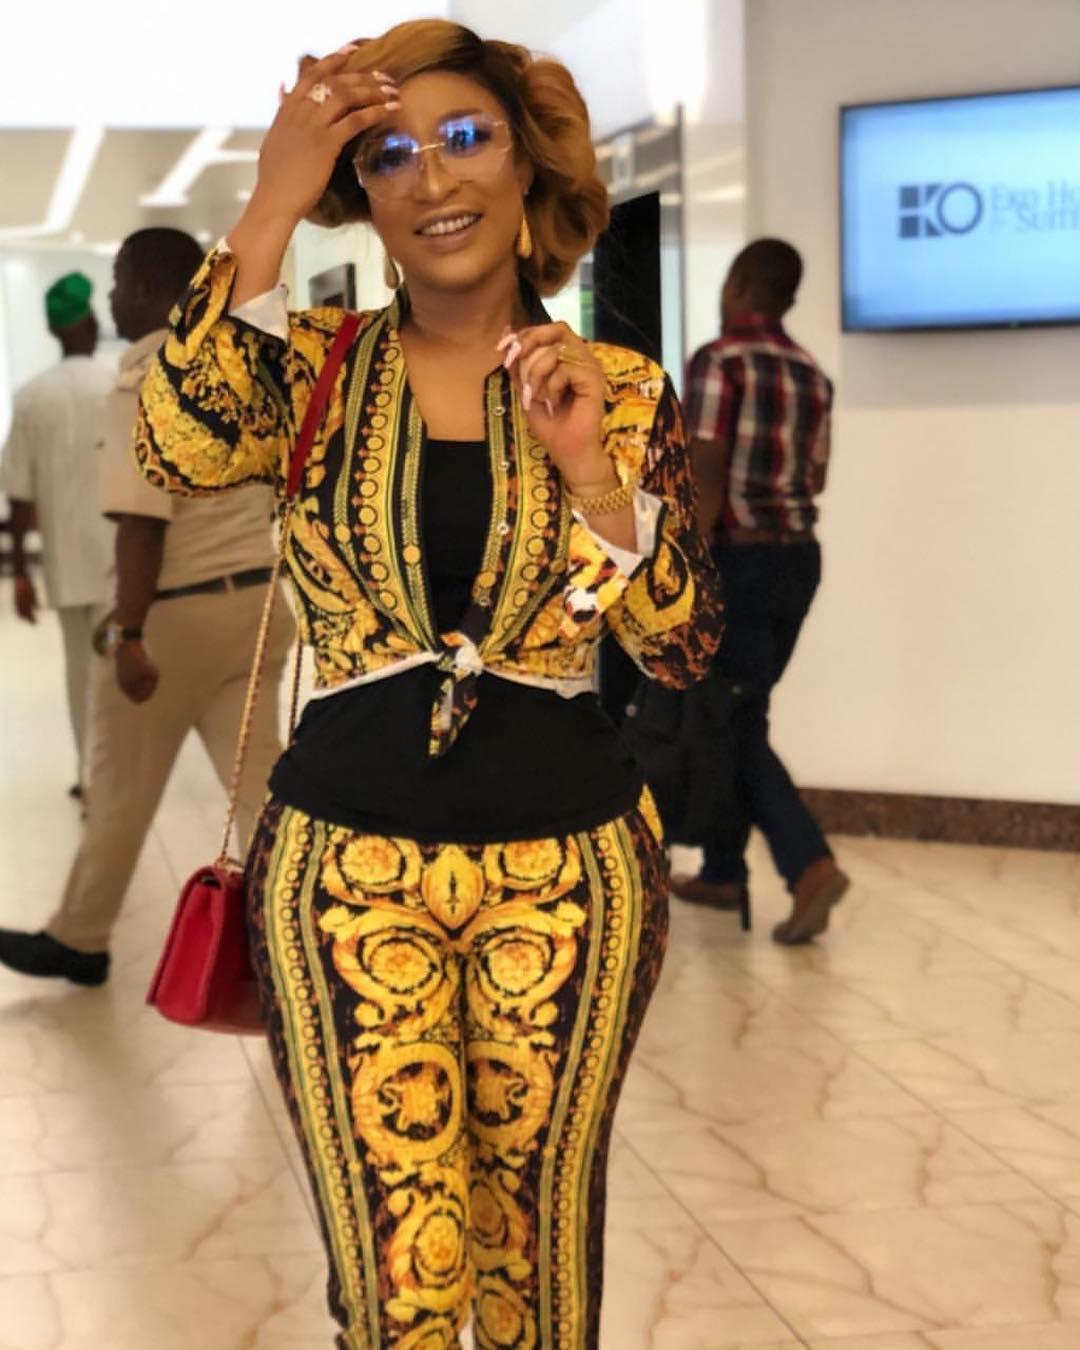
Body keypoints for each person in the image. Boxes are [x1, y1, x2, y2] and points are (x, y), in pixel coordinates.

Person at [128, 20, 722, 1348]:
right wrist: (273, 198)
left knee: (538, 1263)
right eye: (390, 155)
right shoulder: (314, 371)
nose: (435, 178)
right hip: (344, 868)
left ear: (527, 163)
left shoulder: (622, 389)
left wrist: (594, 478)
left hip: (572, 870)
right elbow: (177, 443)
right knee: (395, 1275)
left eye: (467, 138)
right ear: (362, 191)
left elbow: (681, 648)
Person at [0, 228, 293, 987]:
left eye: (118, 282)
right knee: (261, 791)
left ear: (147, 288)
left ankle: (80, 938)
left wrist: (129, 632)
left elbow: (141, 522)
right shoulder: (240, 367)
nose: (111, 298)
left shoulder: (144, 379)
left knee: (119, 788)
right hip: (257, 605)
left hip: (173, 618)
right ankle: (300, 931)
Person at [673, 238, 850, 945]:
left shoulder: (720, 361)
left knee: (732, 720)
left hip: (736, 561)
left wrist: (687, 567)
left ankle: (808, 864)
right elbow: (817, 476)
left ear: (743, 283)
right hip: (798, 560)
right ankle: (723, 871)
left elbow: (706, 468)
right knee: (740, 713)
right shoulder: (813, 375)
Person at [0, 273, 114, 795]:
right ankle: (116, 778)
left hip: (66, 562)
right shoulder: (118, 385)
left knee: (79, 674)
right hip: (122, 558)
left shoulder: (31, 398)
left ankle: (89, 777)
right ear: (87, 323)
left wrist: (21, 573)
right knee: (118, 669)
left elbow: (19, 498)